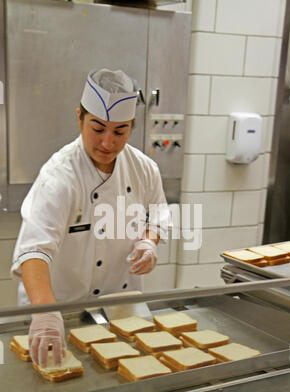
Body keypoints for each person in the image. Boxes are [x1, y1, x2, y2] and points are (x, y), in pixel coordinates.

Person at [11, 68, 171, 368]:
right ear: (80, 118)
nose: (108, 143)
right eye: (97, 129)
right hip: (62, 312)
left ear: (131, 126)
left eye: (120, 132)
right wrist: (46, 313)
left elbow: (158, 214)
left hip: (121, 308)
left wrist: (150, 242)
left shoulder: (144, 169)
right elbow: (34, 251)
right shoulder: (59, 177)